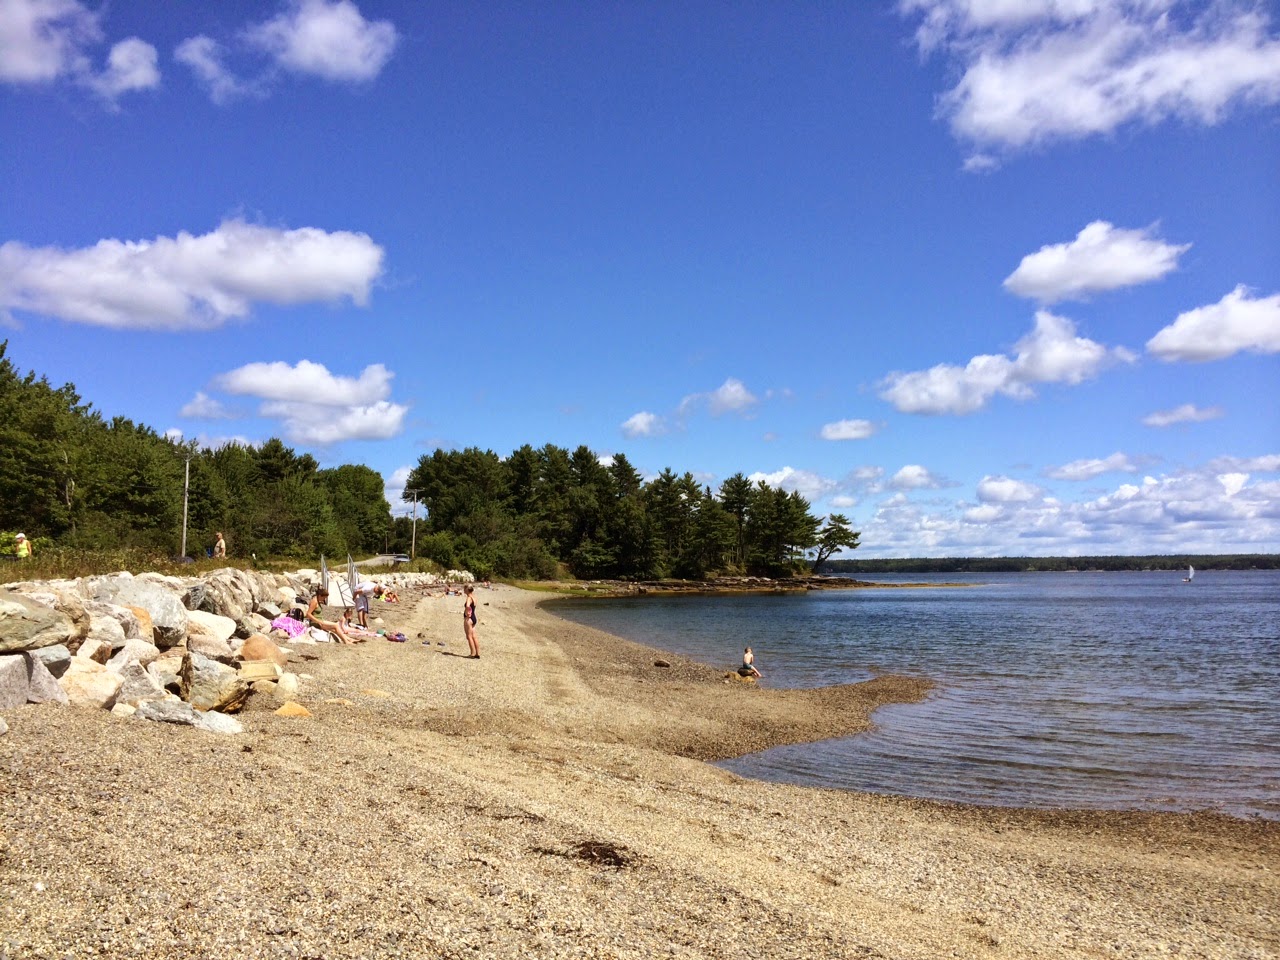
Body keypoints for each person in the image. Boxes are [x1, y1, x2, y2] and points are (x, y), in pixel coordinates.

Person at [462, 584, 479, 658]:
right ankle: (477, 653)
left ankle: (472, 653)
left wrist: (467, 612)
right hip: (474, 618)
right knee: (474, 636)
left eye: (464, 589)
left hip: (469, 619)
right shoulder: (474, 597)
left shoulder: (469, 598)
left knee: (469, 636)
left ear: (467, 590)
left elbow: (468, 606)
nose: (463, 590)